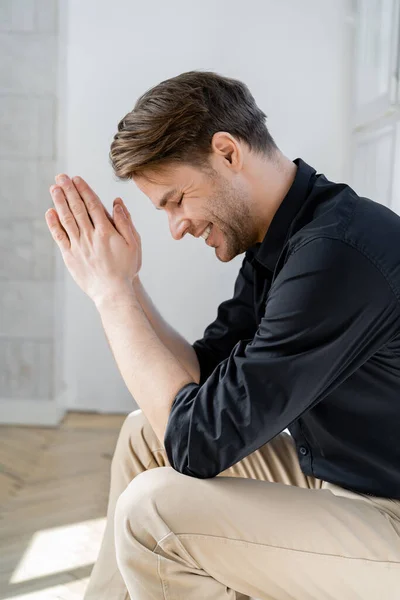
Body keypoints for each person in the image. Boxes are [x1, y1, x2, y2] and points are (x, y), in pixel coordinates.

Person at [45, 71, 400, 600]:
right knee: (146, 435)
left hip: (388, 518)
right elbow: (200, 378)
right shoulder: (282, 238)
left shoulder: (334, 256)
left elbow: (197, 444)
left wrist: (110, 297)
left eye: (176, 199)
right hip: (338, 479)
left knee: (156, 512)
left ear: (227, 153)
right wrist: (128, 284)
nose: (176, 226)